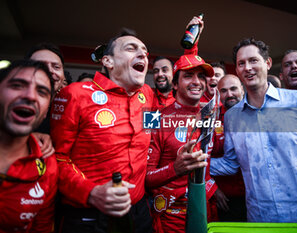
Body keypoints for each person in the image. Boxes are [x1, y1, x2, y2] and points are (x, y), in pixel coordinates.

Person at [210, 38, 297, 233]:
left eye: (253, 60)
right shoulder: (232, 117)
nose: (247, 67)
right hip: (260, 221)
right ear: (237, 70)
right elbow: (231, 163)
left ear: (268, 63)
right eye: (241, 63)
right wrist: (195, 162)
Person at [50, 29, 154, 233]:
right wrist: (92, 192)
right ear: (107, 61)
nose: (142, 55)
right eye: (131, 49)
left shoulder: (148, 95)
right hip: (89, 216)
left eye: (145, 52)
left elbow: (153, 133)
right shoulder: (75, 94)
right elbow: (57, 158)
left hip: (140, 212)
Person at [145, 15, 218, 233]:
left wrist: (192, 44)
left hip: (207, 207)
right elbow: (145, 179)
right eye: (188, 77)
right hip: (172, 214)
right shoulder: (154, 118)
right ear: (174, 85)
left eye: (201, 77)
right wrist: (175, 169)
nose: (197, 82)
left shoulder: (211, 111)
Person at [0, 60, 58, 232]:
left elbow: (42, 227)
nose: (31, 96)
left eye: (42, 92)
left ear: (47, 109)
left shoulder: (48, 165)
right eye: (17, 85)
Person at [211, 74, 246, 222]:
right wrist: (212, 189)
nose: (229, 94)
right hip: (224, 199)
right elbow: (201, 156)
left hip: (255, 198)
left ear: (242, 90)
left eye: (233, 89)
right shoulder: (211, 119)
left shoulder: (256, 114)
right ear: (218, 94)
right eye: (224, 91)